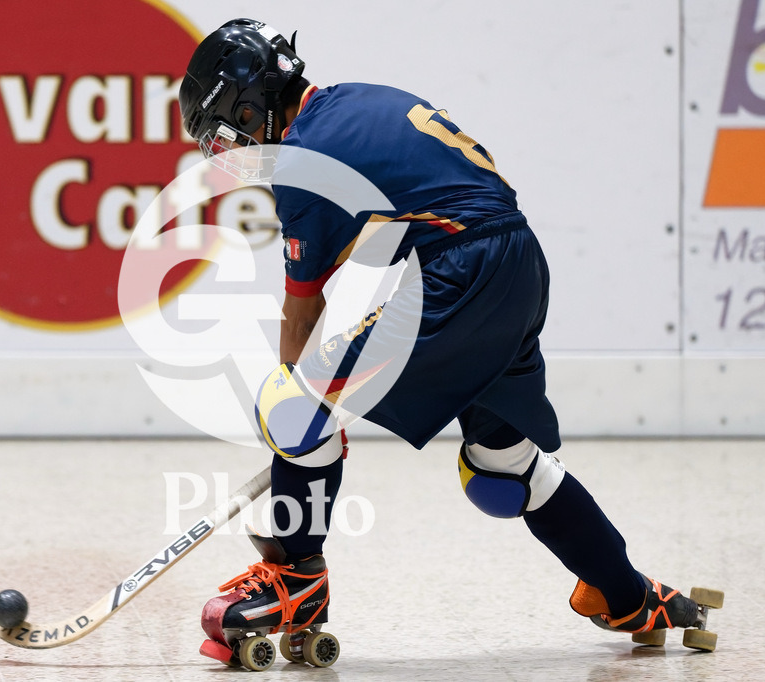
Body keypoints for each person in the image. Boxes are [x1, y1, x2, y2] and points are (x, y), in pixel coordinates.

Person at [178, 18, 708, 670]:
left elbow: (303, 307)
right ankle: (629, 594)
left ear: (251, 106)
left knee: (294, 398)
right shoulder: (355, 100)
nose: (233, 158)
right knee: (501, 465)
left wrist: (299, 427)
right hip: (516, 261)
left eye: (227, 138)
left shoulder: (304, 161)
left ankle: (295, 583)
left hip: (464, 271)